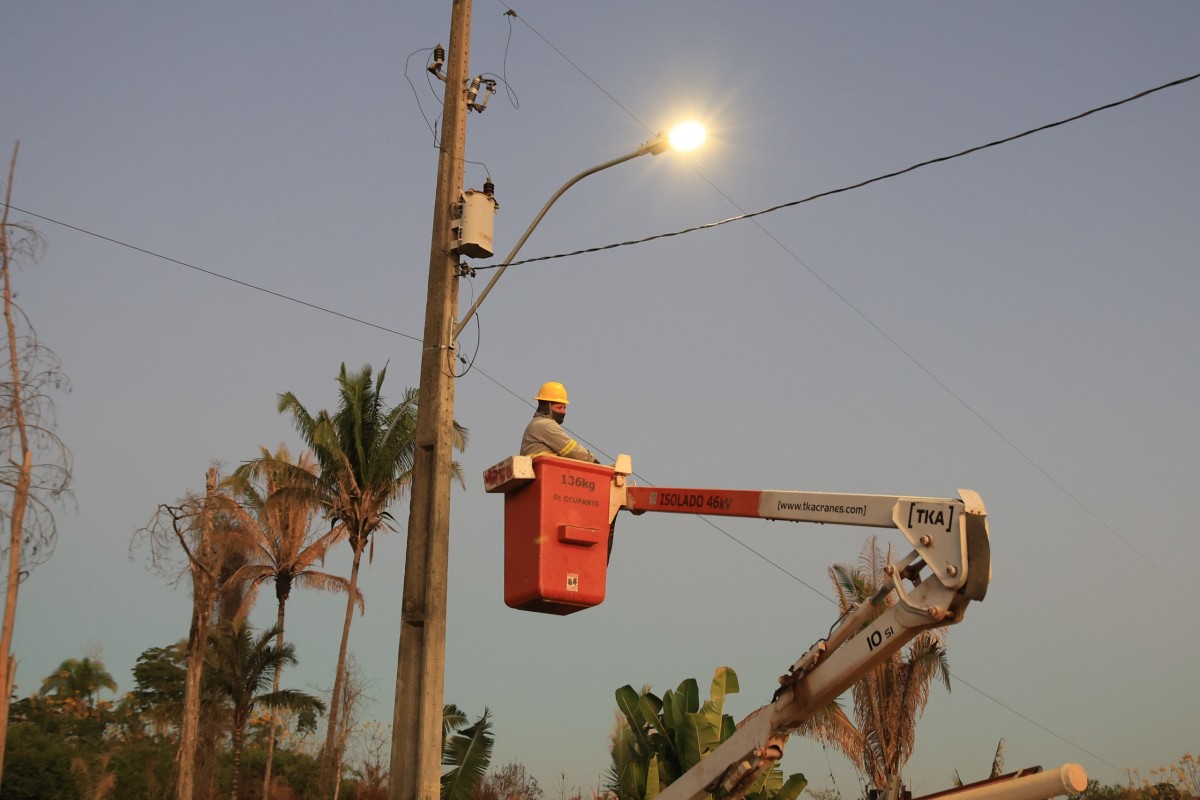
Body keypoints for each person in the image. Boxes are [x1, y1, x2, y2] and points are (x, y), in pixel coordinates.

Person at [520, 381, 600, 463]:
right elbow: (572, 450)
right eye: (559, 407)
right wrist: (593, 460)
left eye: (564, 408)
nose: (563, 411)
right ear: (546, 407)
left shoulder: (537, 423)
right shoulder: (546, 425)